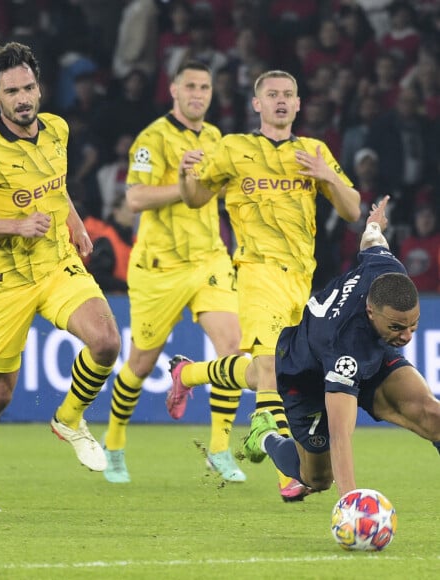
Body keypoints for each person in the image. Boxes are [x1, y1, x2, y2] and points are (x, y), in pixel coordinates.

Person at [0, 42, 121, 512]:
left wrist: (76, 224)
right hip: (5, 280)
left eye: (28, 87)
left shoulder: (58, 131)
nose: (22, 98)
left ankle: (69, 418)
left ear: (39, 88)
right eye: (11, 91)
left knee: (106, 341)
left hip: (56, 263)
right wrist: (13, 225)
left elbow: (56, 188)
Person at [170, 69, 361, 501]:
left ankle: (188, 373)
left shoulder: (314, 151)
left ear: (297, 104)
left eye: (288, 95)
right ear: (256, 104)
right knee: (274, 367)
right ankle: (286, 472)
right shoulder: (234, 148)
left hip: (302, 280)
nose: (280, 101)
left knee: (264, 372)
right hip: (256, 270)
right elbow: (197, 197)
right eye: (271, 94)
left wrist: (326, 176)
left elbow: (352, 210)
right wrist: (186, 175)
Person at [238, 196, 440, 499]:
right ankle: (265, 436)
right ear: (371, 310)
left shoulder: (386, 267)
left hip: (367, 350)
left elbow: (372, 239)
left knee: (431, 416)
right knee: (317, 479)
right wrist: (351, 501)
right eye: (397, 327)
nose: (407, 336)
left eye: (413, 325)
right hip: (306, 373)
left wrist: (375, 221)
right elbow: (341, 435)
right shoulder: (343, 345)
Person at [102, 60, 245, 485]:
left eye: (205, 87)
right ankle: (114, 443)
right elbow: (135, 198)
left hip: (209, 259)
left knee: (233, 347)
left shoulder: (217, 138)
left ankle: (219, 449)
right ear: (174, 91)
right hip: (159, 267)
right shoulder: (152, 138)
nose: (198, 94)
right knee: (140, 363)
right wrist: (186, 187)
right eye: (191, 87)